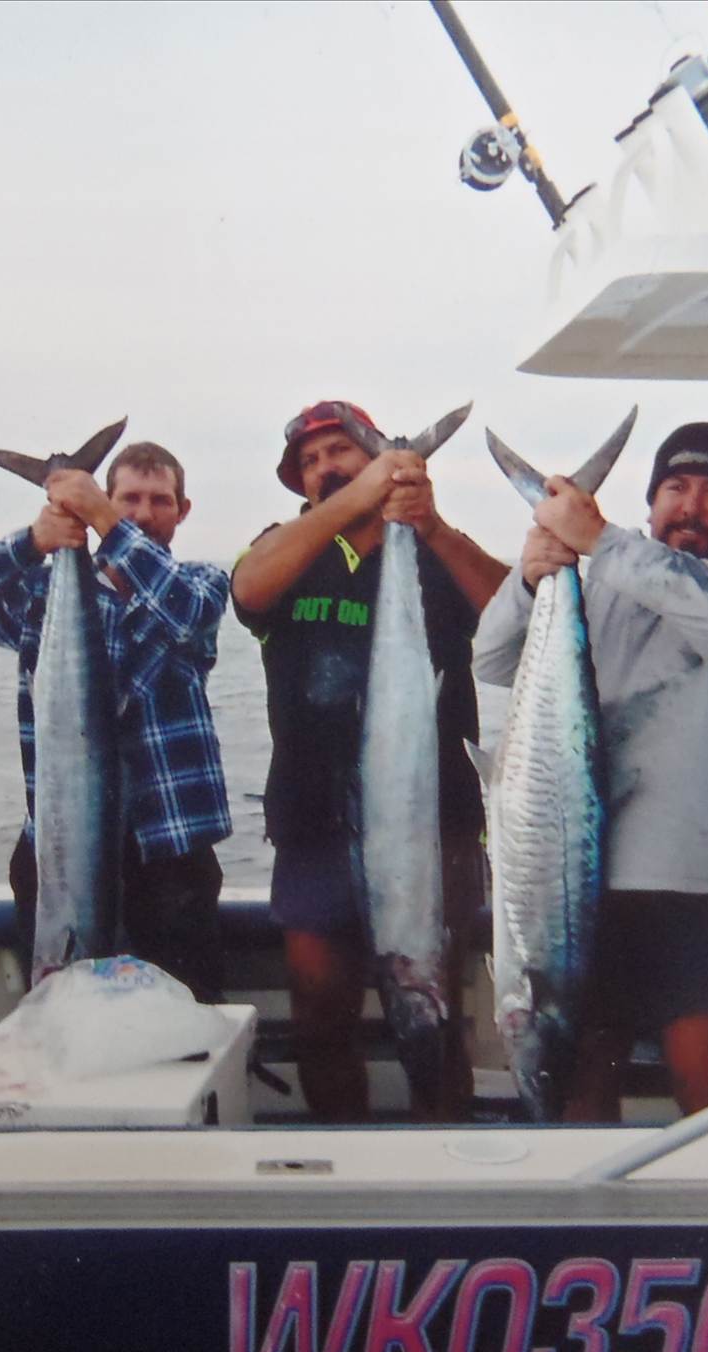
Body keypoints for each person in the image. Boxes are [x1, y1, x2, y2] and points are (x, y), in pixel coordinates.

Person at [473, 422, 708, 1120]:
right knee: (582, 1075)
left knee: (706, 1084)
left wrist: (598, 540)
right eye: (675, 488)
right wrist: (530, 578)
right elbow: (493, 659)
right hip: (580, 880)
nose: (691, 507)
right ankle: (588, 1196)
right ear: (652, 503)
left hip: (699, 884)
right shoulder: (605, 588)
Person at [231, 401, 509, 1122]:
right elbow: (248, 588)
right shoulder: (284, 548)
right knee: (320, 1014)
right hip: (313, 823)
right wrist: (360, 497)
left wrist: (431, 526)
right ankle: (344, 1158)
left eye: (341, 452)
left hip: (433, 827)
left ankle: (442, 1155)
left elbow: (519, 617)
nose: (326, 467)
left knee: (435, 1010)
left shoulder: (433, 548)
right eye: (311, 461)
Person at [0, 440, 231, 1002]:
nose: (143, 512)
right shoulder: (40, 593)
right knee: (62, 1014)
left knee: (188, 1018)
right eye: (128, 498)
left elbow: (185, 613)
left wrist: (104, 520)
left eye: (160, 500)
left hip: (173, 850)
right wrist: (32, 543)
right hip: (58, 847)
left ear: (183, 511)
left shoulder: (202, 583)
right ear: (109, 496)